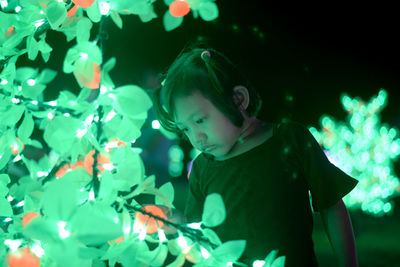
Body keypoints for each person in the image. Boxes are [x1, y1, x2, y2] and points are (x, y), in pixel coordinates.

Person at [152, 45, 358, 266]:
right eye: (185, 129)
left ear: (238, 99)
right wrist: (180, 225)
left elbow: (331, 206)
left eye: (200, 120)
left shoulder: (290, 141)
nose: (196, 137)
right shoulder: (203, 168)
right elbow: (200, 239)